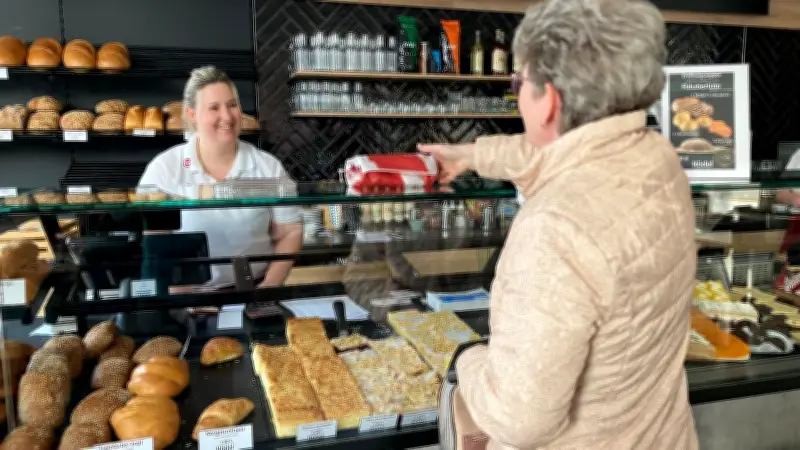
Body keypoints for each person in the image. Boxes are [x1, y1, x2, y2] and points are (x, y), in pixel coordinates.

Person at [419, 0, 698, 448]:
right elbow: (559, 151)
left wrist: (468, 359)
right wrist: (472, 155)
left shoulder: (554, 230)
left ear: (547, 99)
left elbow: (518, 419)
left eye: (518, 83)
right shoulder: (655, 156)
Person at [139, 66, 302, 289]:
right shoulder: (164, 168)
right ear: (192, 114)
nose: (226, 116)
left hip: (254, 289)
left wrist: (267, 289)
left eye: (232, 105)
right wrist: (186, 299)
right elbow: (156, 247)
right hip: (190, 294)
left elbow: (289, 232)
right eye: (214, 108)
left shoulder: (267, 166)